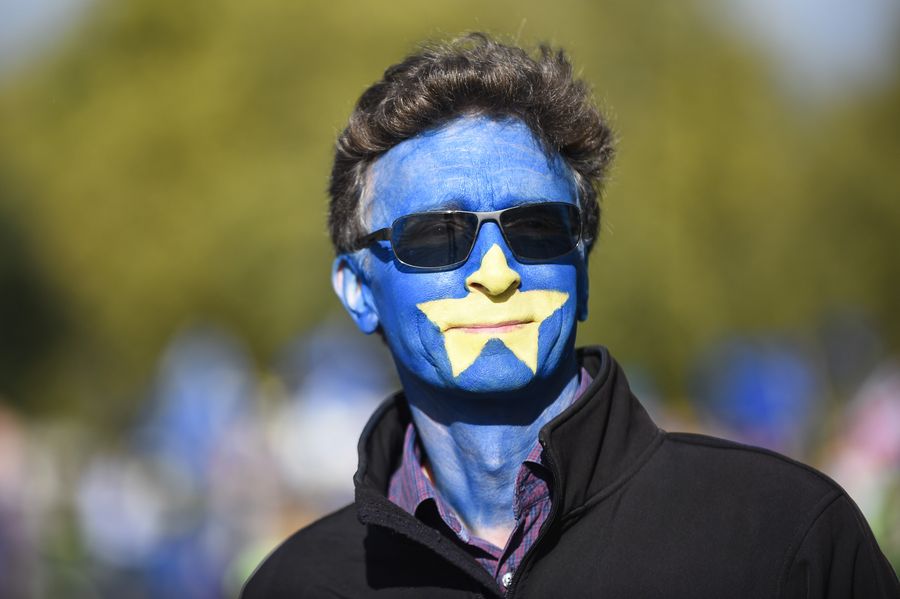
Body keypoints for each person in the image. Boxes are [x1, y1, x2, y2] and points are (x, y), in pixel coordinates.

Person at [242, 33, 899, 598]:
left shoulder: (783, 537)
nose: (496, 271)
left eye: (537, 228)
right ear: (358, 289)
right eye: (437, 235)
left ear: (582, 271)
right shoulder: (297, 585)